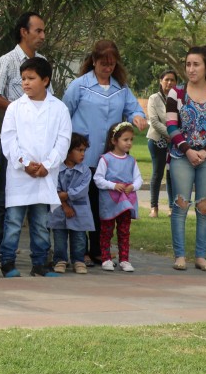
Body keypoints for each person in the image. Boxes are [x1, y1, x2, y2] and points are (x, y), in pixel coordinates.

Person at [62, 39, 146, 266]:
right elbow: (63, 114)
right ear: (94, 61)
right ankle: (81, 251)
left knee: (104, 205)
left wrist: (138, 116)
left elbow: (134, 108)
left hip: (109, 160)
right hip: (84, 157)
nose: (107, 68)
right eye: (103, 63)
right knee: (84, 201)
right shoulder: (79, 86)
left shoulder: (121, 88)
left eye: (111, 64)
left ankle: (100, 250)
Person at [0, 57, 71, 278]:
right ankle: (8, 261)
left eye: (31, 78)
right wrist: (25, 163)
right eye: (23, 79)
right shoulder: (14, 108)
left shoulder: (59, 108)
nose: (25, 83)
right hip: (20, 176)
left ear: (45, 80)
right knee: (13, 221)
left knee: (41, 223)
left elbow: (63, 140)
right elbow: (9, 140)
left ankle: (40, 263)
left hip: (44, 177)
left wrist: (47, 165)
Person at [0, 11, 49, 260]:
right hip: (14, 143)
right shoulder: (8, 61)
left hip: (40, 144)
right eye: (38, 31)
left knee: (40, 198)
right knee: (6, 196)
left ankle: (40, 252)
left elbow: (49, 98)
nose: (42, 36)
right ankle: (3, 249)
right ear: (24, 32)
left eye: (43, 31)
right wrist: (19, 110)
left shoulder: (42, 61)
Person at [166, 46, 206, 272]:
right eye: (188, 64)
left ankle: (201, 256)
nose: (191, 69)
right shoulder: (176, 93)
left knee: (204, 206)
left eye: (196, 64)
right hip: (181, 156)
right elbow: (171, 125)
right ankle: (180, 255)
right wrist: (188, 150)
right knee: (180, 204)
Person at [93, 122, 143, 272]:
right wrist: (113, 185)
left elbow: (139, 179)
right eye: (125, 139)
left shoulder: (131, 161)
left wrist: (132, 187)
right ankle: (106, 258)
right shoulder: (106, 159)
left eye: (131, 140)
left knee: (124, 230)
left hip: (126, 202)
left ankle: (124, 259)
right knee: (107, 230)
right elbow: (98, 179)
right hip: (109, 201)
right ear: (114, 141)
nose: (129, 143)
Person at [49, 133, 93, 275]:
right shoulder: (56, 169)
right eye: (79, 150)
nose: (82, 154)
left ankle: (78, 260)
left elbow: (82, 190)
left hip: (80, 210)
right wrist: (66, 205)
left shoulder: (85, 171)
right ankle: (60, 260)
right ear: (67, 151)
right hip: (59, 210)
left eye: (84, 151)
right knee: (59, 236)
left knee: (79, 237)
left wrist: (66, 194)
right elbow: (53, 189)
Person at [146, 70, 177, 218]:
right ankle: (154, 208)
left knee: (172, 175)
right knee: (157, 174)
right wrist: (170, 133)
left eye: (172, 80)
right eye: (166, 80)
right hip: (157, 140)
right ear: (160, 81)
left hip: (175, 143)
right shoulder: (154, 98)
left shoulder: (179, 99)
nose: (169, 83)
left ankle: (172, 208)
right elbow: (154, 121)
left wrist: (176, 136)